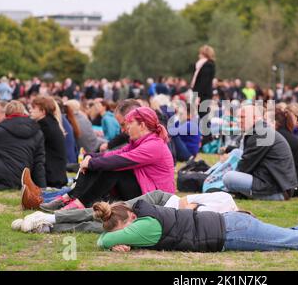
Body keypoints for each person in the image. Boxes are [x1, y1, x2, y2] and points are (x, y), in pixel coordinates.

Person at [92, 200, 298, 253]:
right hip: (230, 224)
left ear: (126, 221)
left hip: (230, 233)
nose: (125, 238)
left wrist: (115, 240)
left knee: (296, 241)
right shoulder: (146, 214)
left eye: (120, 231)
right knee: (294, 232)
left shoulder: (143, 227)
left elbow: (101, 242)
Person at [40, 107, 175, 211]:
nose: (126, 128)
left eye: (130, 123)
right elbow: (115, 154)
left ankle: (76, 202)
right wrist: (91, 156)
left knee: (113, 168)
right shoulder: (140, 142)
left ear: (142, 125)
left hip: (156, 200)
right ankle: (71, 199)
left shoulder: (154, 145)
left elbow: (121, 160)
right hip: (145, 189)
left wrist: (91, 163)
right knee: (98, 163)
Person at [13, 191, 239, 234]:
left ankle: (49, 227)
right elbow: (186, 205)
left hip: (159, 218)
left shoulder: (223, 224)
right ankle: (49, 217)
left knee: (99, 228)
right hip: (159, 203)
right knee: (103, 214)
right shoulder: (225, 201)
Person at [222, 103, 298, 201]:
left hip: (277, 190)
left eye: (243, 117)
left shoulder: (260, 133)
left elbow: (244, 167)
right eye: (239, 117)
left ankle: (220, 186)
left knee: (228, 177)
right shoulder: (260, 130)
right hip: (276, 186)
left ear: (254, 118)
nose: (239, 121)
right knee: (236, 154)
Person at [0, 100, 46, 190]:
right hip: (23, 182)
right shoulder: (37, 133)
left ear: (6, 115)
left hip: (0, 181)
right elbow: (39, 163)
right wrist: (42, 188)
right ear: (23, 112)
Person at [30, 96, 68, 188]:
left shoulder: (44, 126)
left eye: (33, 108)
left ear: (43, 111)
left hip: (51, 177)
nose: (30, 110)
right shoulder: (51, 122)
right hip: (57, 174)